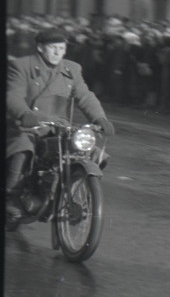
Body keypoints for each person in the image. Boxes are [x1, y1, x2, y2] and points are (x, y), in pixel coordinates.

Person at [6, 27, 115, 220]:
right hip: (27, 124)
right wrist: (24, 113)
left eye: (62, 48)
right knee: (23, 146)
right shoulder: (22, 66)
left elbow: (85, 96)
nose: (58, 53)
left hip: (57, 126)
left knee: (90, 152)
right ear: (40, 47)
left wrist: (100, 118)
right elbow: (13, 94)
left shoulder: (72, 69)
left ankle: (67, 190)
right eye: (53, 48)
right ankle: (11, 195)